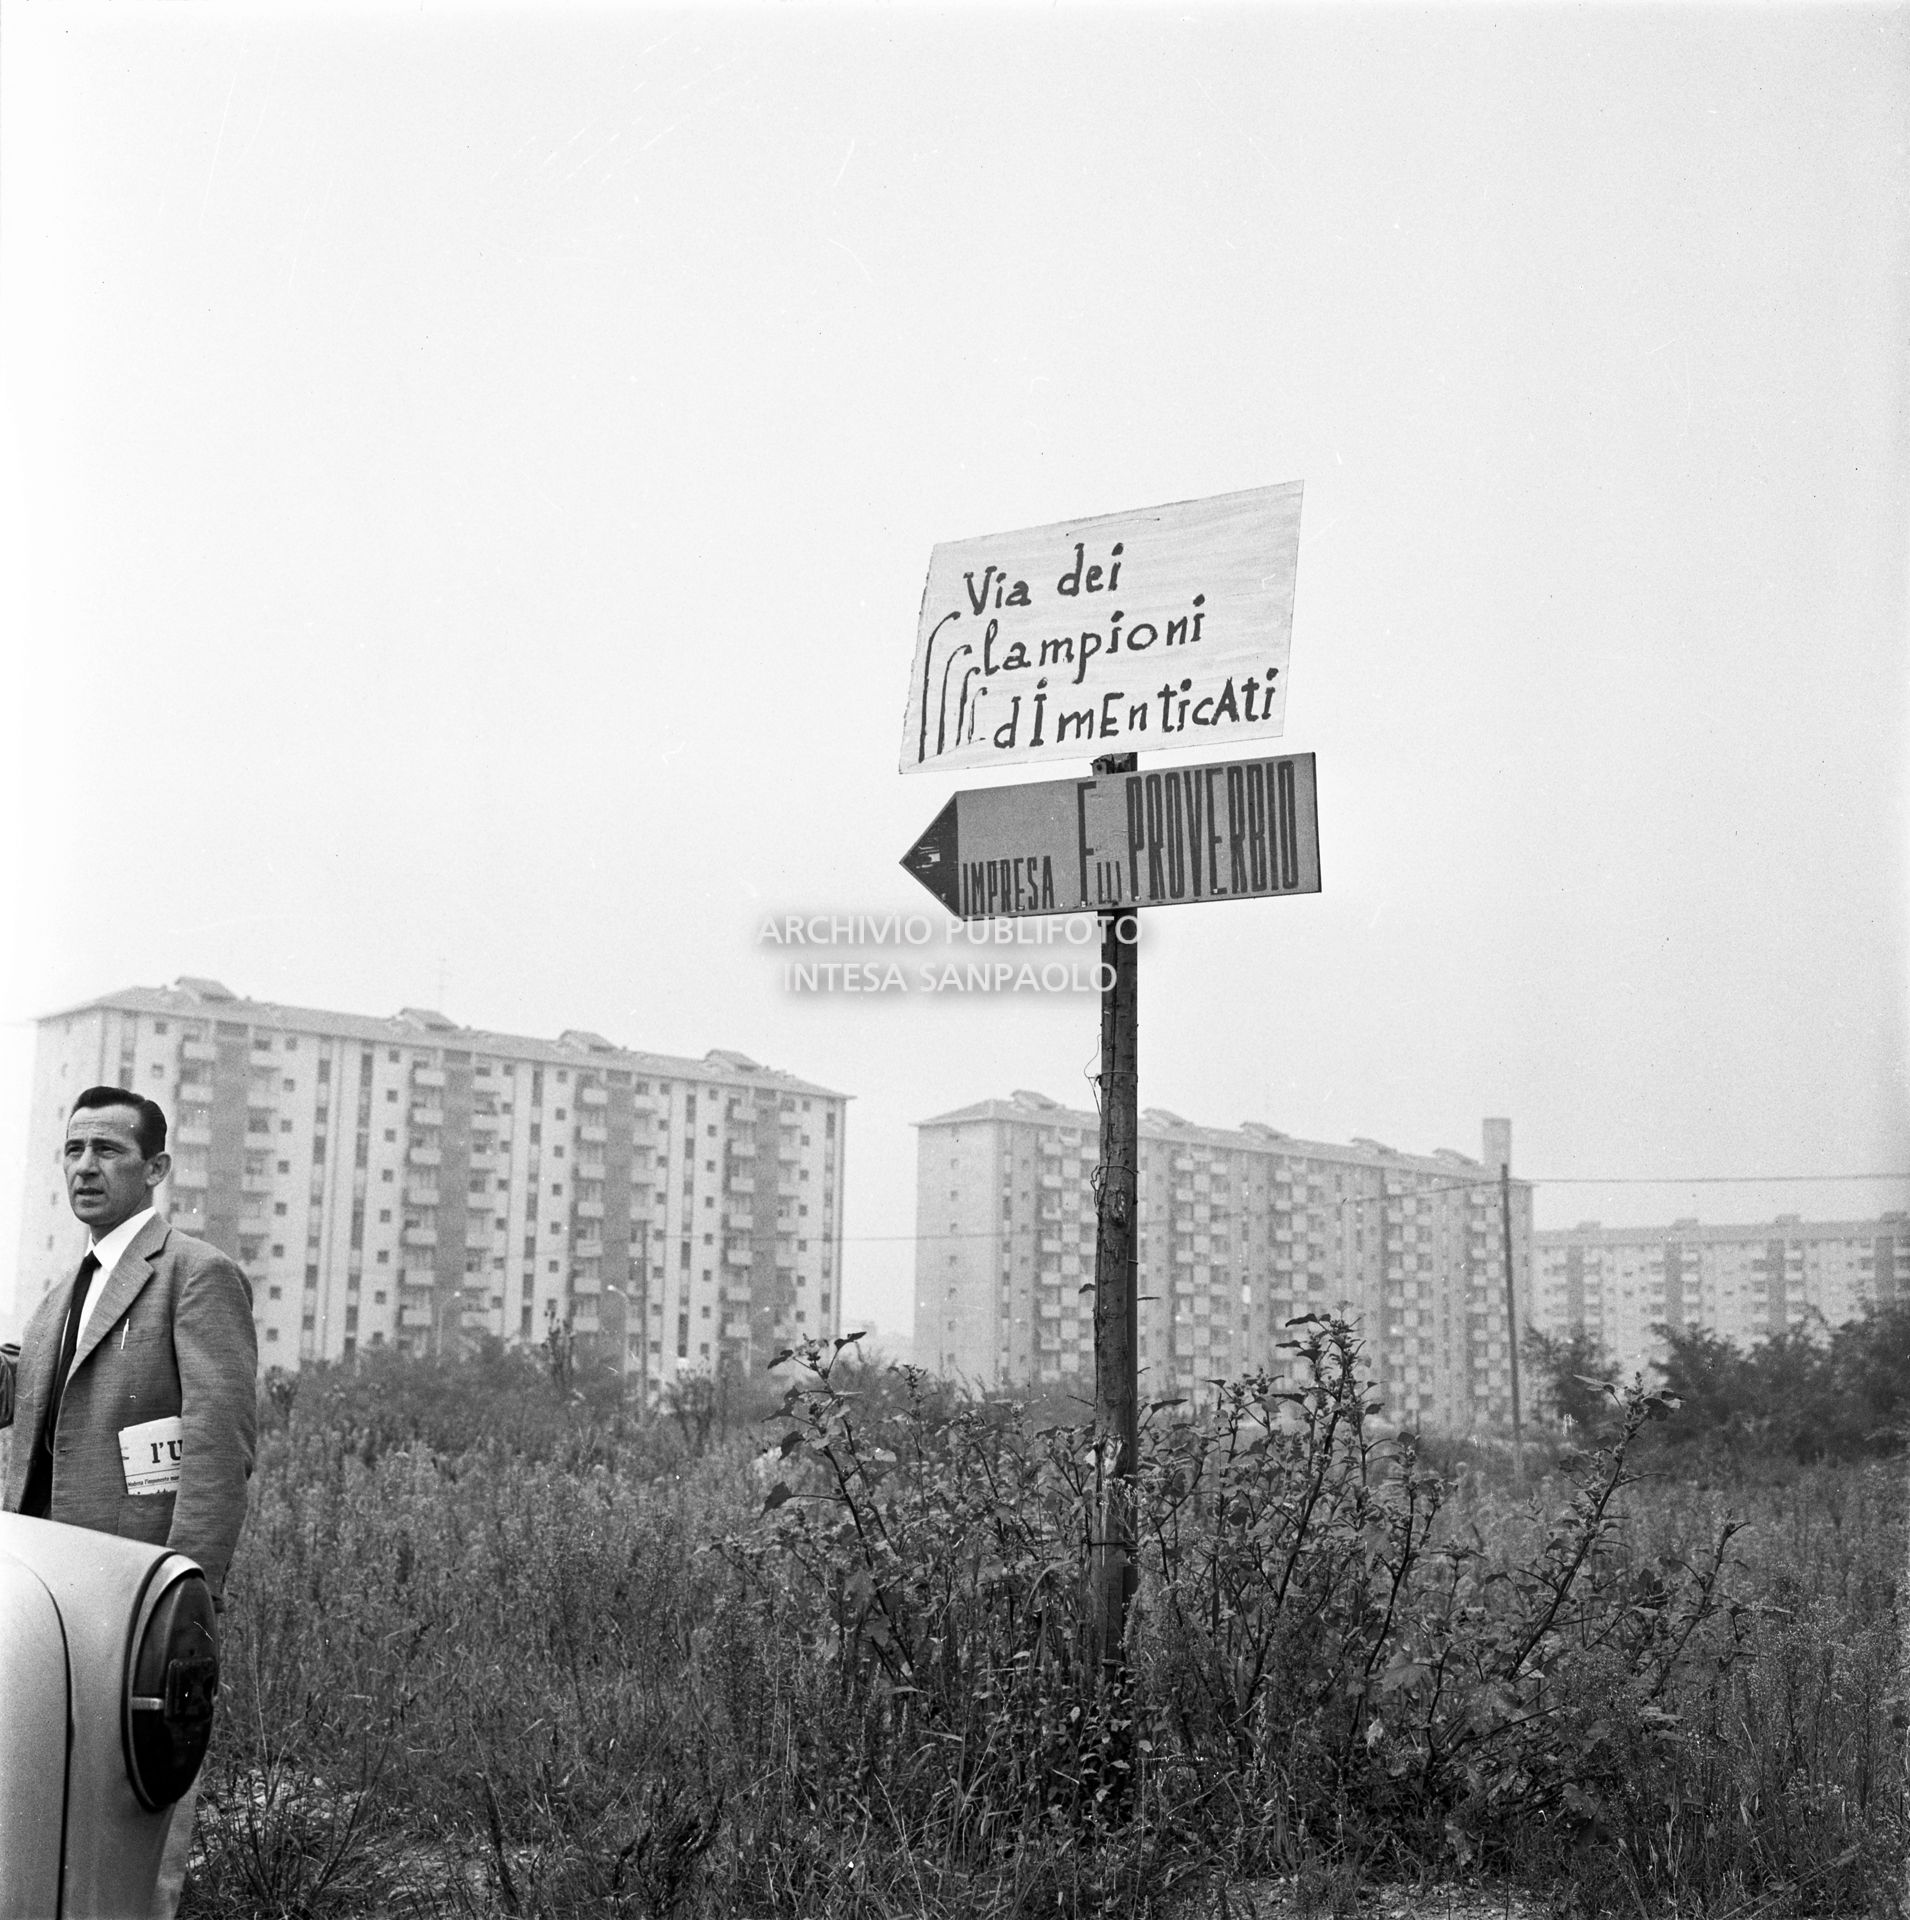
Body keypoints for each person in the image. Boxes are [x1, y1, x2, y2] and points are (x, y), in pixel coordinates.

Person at [1, 1085, 258, 1918]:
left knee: (133, 1856)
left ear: (155, 1168)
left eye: (107, 1151)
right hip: (42, 1624)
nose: (85, 1167)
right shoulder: (54, 1302)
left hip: (134, 1615)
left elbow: (218, 1451)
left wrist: (189, 1608)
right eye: (73, 1150)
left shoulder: (196, 1276)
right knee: (44, 1843)